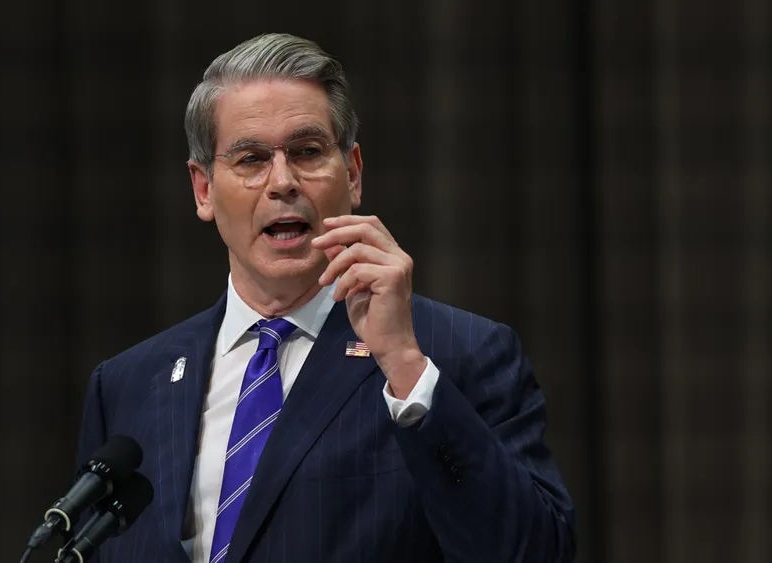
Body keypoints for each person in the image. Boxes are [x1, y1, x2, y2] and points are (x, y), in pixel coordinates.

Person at [73, 33, 576, 563]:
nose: (282, 182)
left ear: (353, 173)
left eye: (307, 152)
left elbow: (534, 553)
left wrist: (404, 366)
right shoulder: (128, 384)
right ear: (203, 189)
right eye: (251, 159)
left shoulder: (458, 354)